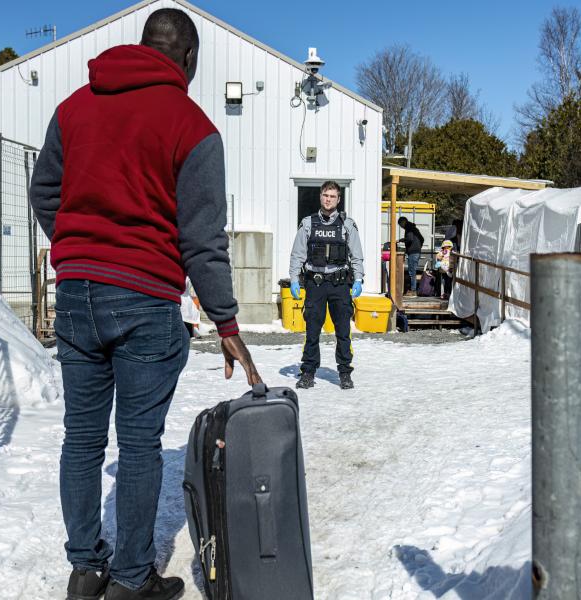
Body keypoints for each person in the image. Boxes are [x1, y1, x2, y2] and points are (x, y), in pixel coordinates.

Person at [29, 9, 262, 600]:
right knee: (138, 444)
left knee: (81, 439)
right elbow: (202, 240)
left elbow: (44, 191)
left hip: (76, 293)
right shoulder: (194, 126)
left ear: (141, 46)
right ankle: (132, 581)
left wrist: (80, 249)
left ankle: (85, 571)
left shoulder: (74, 108)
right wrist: (226, 322)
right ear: (187, 59)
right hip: (144, 299)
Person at [288, 181, 365, 390]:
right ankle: (308, 372)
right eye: (325, 195)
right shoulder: (308, 223)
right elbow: (297, 255)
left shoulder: (347, 224)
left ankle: (345, 372)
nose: (328, 199)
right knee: (312, 331)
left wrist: (358, 279)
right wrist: (294, 279)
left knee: (343, 331)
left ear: (338, 199)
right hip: (315, 284)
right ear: (320, 197)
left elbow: (356, 256)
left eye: (332, 196)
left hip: (340, 284)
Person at [398, 216, 424, 295]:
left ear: (403, 222)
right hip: (416, 251)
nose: (401, 227)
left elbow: (410, 239)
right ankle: (412, 289)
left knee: (411, 272)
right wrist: (418, 247)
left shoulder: (408, 228)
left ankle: (413, 290)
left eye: (400, 225)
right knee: (413, 271)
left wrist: (401, 240)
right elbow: (422, 239)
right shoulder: (414, 228)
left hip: (413, 252)